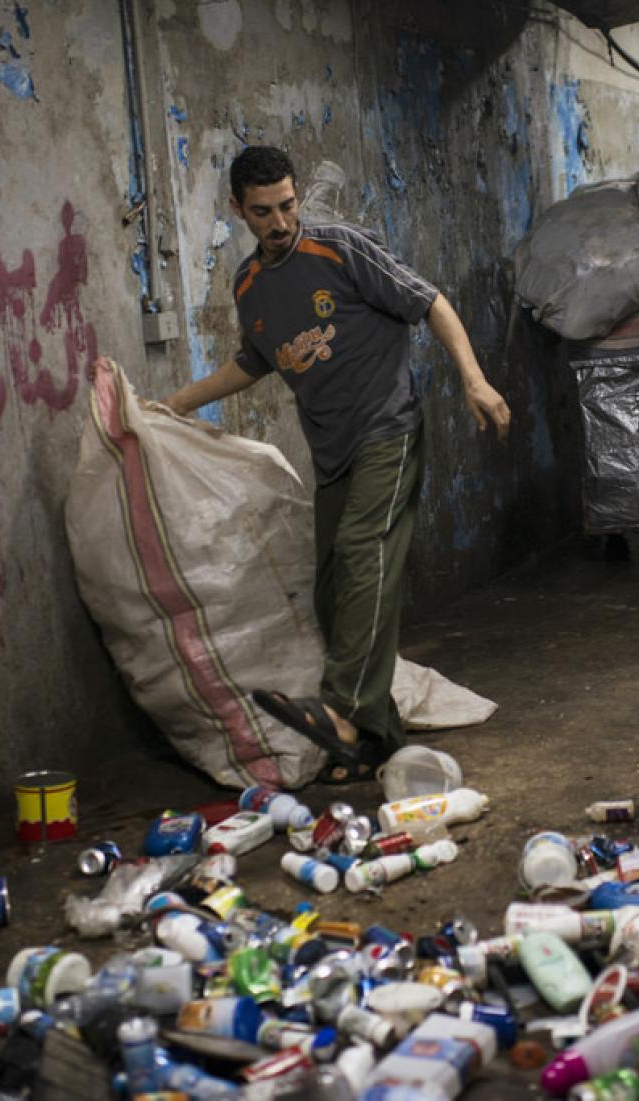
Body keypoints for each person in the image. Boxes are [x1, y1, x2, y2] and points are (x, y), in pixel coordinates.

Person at [160, 146, 511, 783]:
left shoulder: (341, 248)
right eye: (263, 212)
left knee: (362, 554)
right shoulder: (249, 285)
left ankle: (344, 712)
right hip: (331, 453)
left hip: (388, 427)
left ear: (298, 197)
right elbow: (256, 360)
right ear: (239, 211)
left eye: (288, 205)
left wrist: (474, 380)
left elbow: (429, 300)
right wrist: (176, 405)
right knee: (330, 590)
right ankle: (375, 739)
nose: (280, 223)